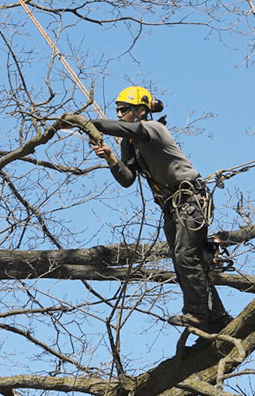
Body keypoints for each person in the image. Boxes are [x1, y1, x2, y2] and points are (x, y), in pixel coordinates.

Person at [91, 86, 232, 333]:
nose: (119, 114)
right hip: (172, 208)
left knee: (186, 256)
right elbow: (127, 179)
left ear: (141, 110)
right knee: (185, 263)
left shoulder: (153, 129)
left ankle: (198, 315)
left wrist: (93, 124)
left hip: (190, 200)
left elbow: (130, 128)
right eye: (118, 110)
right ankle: (216, 319)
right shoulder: (129, 143)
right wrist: (111, 158)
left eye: (124, 110)